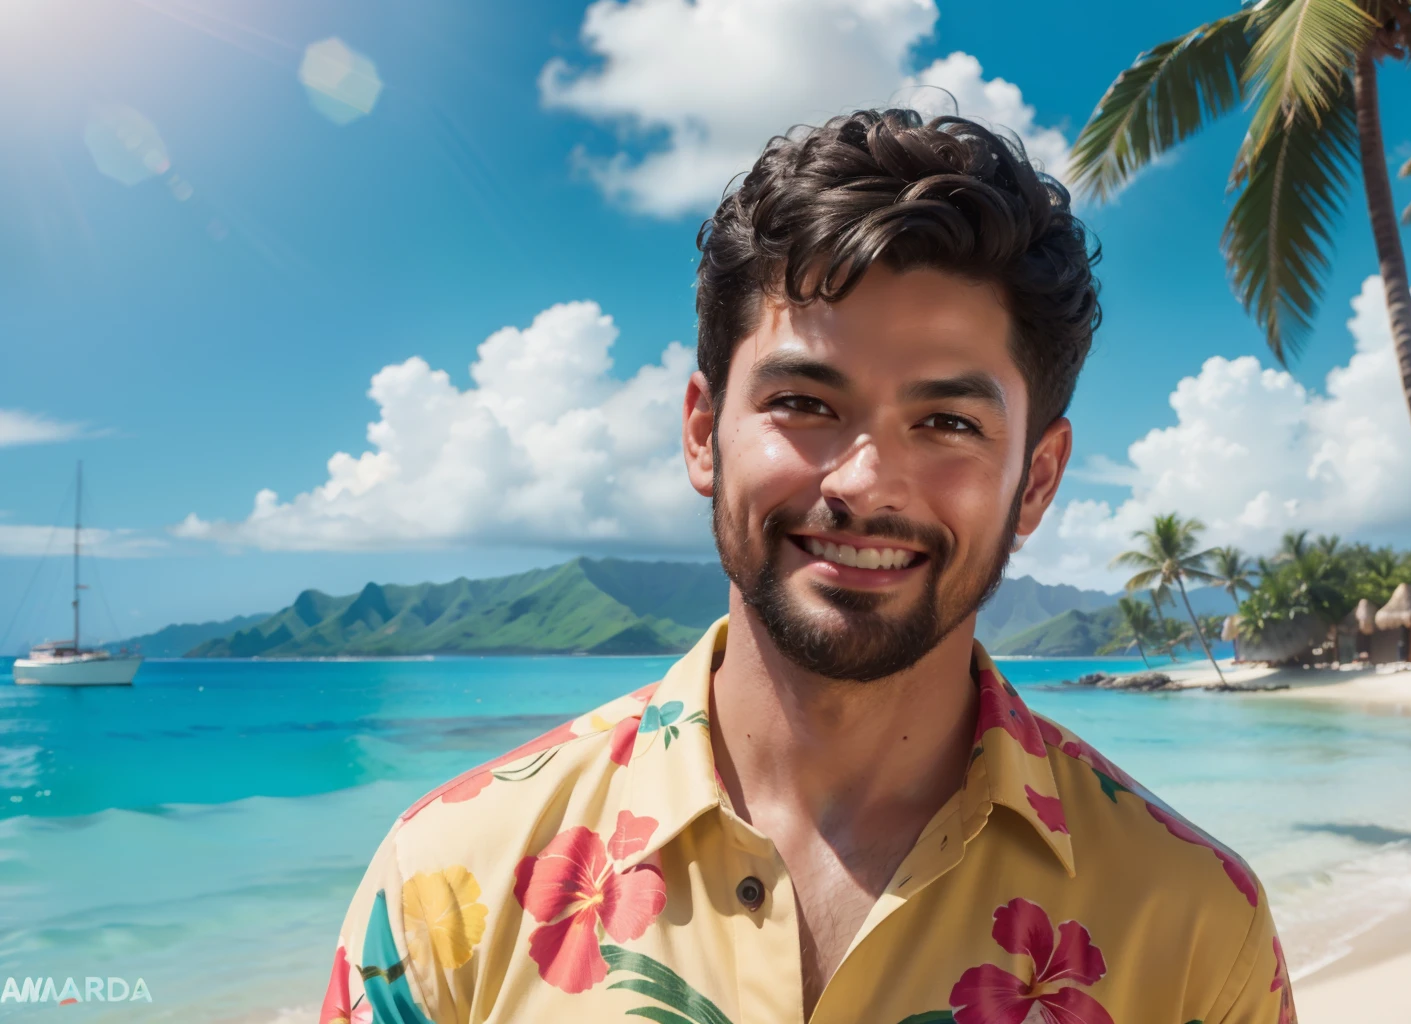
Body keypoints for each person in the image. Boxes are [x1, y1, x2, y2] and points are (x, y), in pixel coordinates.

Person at [319, 109, 1294, 1024]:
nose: (865, 484)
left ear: (1035, 481)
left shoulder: (1195, 930)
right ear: (704, 430)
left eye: (947, 421)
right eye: (803, 401)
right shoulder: (447, 882)